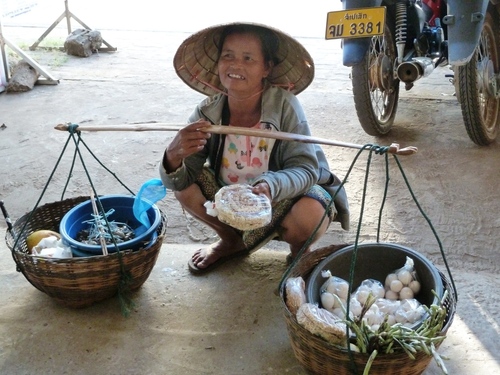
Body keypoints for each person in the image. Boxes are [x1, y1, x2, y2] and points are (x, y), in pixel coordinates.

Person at [159, 22, 349, 274]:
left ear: (266, 68)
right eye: (228, 56)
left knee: (309, 214)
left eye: (248, 58)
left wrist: (270, 186)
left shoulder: (285, 107)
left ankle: (299, 251)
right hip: (234, 198)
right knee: (184, 190)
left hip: (282, 196)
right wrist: (173, 156)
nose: (236, 65)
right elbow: (179, 179)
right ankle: (232, 241)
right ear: (218, 63)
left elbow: (305, 169)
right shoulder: (207, 112)